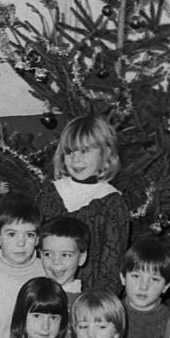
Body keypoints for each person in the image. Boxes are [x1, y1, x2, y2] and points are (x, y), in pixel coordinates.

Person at [36, 114, 129, 294]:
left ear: (105, 153)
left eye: (85, 151)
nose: (76, 159)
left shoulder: (111, 202)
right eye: (70, 152)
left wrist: (95, 304)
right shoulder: (50, 194)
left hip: (91, 298)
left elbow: (112, 266)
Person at [0, 192, 48, 338]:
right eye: (12, 234)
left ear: (38, 238)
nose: (21, 243)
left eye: (29, 235)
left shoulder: (47, 272)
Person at [38, 214, 90, 296]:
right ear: (41, 255)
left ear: (81, 258)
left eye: (65, 255)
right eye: (48, 254)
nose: (56, 262)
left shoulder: (86, 302)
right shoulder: (32, 294)